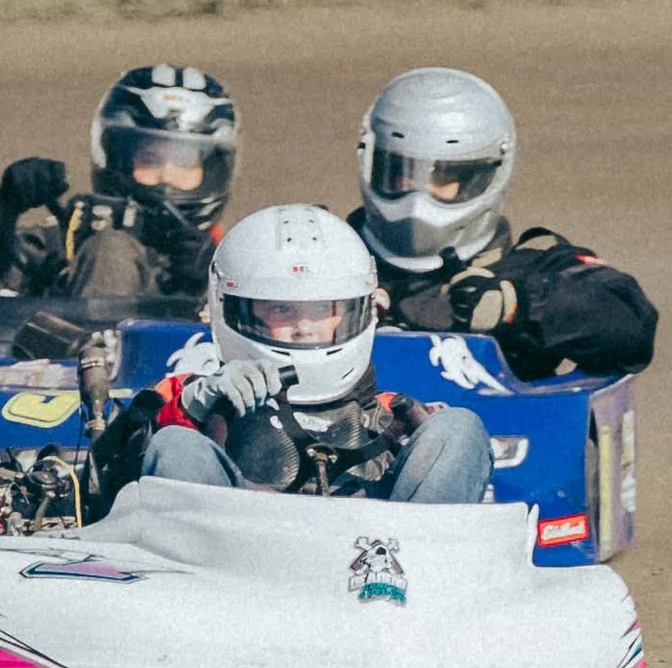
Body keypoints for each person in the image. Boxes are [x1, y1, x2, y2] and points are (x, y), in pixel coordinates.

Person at [90, 205, 492, 505]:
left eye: (321, 310)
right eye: (282, 310)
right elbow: (103, 479)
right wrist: (198, 406)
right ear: (230, 308)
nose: (304, 326)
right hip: (228, 574)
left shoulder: (392, 416)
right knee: (178, 446)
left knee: (459, 428)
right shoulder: (187, 399)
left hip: (377, 574)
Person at [352, 67, 656, 380]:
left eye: (441, 177)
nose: (417, 198)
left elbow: (632, 326)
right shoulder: (331, 259)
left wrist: (515, 305)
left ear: (482, 176)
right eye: (400, 172)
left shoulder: (533, 272)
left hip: (495, 412)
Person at [0, 64, 237, 299]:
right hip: (28, 366)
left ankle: (92, 368)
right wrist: (5, 207)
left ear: (211, 173)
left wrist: (198, 285)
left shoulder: (231, 266)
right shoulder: (72, 236)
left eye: (183, 162)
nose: (166, 175)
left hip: (144, 371)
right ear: (118, 162)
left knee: (111, 249)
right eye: (150, 159)